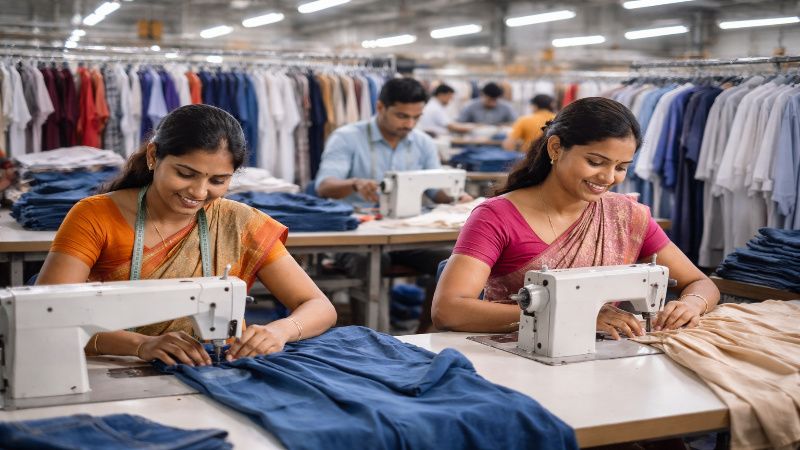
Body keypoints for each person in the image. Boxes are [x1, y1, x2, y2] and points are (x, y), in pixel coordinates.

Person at [37, 104, 337, 366]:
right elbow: (49, 317)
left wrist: (279, 331)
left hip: (209, 368)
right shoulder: (95, 216)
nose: (199, 192)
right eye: (185, 174)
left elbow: (319, 307)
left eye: (218, 180)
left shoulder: (240, 223)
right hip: (114, 367)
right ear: (154, 156)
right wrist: (139, 345)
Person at [433, 97, 720, 338]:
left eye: (621, 167)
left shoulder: (626, 216)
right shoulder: (496, 217)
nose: (608, 177)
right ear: (555, 148)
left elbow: (701, 282)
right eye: (595, 162)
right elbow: (449, 310)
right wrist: (574, 315)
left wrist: (692, 304)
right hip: (515, 355)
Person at [315, 77, 472, 330]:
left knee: (453, 262)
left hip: (406, 234)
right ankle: (370, 335)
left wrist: (456, 197)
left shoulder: (422, 142)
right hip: (358, 237)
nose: (409, 124)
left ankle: (425, 333)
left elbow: (435, 190)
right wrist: (353, 183)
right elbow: (324, 185)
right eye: (401, 116)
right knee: (371, 265)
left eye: (415, 118)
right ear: (380, 107)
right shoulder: (347, 138)